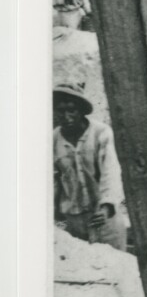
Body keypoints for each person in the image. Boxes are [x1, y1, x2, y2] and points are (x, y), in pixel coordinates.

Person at [53, 83, 127, 251]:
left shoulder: (101, 133)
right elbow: (54, 179)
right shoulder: (53, 139)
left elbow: (111, 171)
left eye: (72, 110)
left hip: (104, 216)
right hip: (73, 220)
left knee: (113, 267)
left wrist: (107, 206)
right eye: (60, 111)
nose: (66, 116)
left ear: (81, 111)